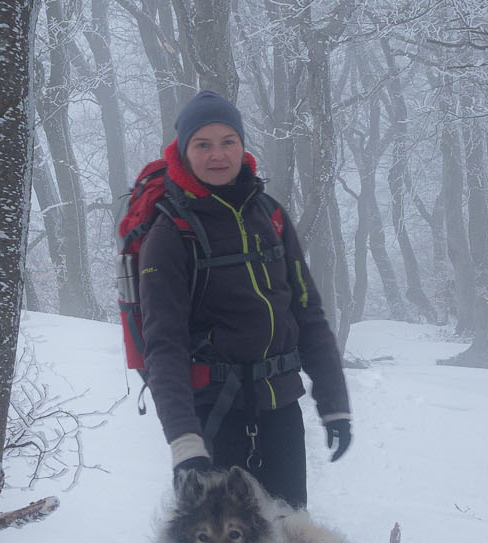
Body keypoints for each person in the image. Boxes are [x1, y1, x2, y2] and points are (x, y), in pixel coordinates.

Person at [137, 90, 351, 509]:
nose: (218, 155)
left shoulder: (269, 215)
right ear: (184, 151)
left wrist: (334, 404)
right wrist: (185, 444)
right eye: (203, 144)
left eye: (228, 142)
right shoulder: (168, 234)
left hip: (280, 413)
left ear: (242, 145)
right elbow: (163, 346)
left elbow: (307, 313)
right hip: (214, 421)